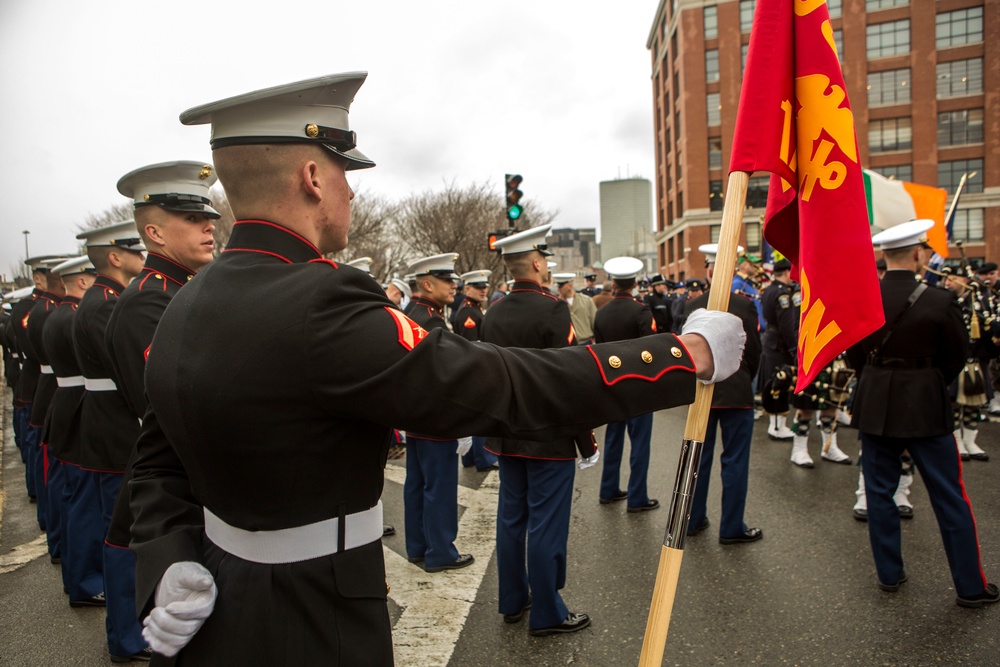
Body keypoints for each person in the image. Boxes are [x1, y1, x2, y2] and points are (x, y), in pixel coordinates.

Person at [127, 72, 744, 663]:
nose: (353, 188)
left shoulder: (185, 302)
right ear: (313, 176)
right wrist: (680, 355)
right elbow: (498, 385)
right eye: (347, 170)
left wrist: (166, 557)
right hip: (313, 616)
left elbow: (156, 459)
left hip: (214, 605)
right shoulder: (322, 299)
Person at [848, 219, 997, 607]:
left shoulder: (862, 296)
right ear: (918, 254)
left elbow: (854, 356)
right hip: (926, 403)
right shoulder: (940, 299)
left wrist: (882, 377)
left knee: (879, 493)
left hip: (876, 400)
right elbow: (956, 356)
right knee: (949, 495)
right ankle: (969, 586)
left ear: (884, 255)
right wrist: (925, 380)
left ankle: (889, 574)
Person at [73, 221, 148, 661]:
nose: (140, 258)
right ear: (115, 257)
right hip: (115, 426)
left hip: (110, 422)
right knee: (122, 531)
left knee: (119, 526)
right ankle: (126, 634)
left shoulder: (104, 299)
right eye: (132, 251)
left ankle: (128, 629)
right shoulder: (104, 304)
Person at [400, 253, 475, 571]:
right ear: (427, 283)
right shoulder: (430, 319)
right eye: (447, 280)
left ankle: (418, 545)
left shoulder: (409, 311)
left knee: (416, 483)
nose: (454, 286)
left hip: (414, 413)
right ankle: (441, 551)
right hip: (436, 416)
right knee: (440, 486)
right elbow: (444, 374)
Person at [685, 243, 763, 544]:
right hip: (736, 389)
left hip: (703, 390)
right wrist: (746, 379)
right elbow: (753, 351)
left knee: (699, 461)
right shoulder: (744, 305)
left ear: (708, 272)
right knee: (735, 462)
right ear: (729, 272)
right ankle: (731, 527)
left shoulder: (692, 305)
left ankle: (692, 520)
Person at [41, 256, 99, 606]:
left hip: (65, 402)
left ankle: (75, 575)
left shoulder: (54, 314)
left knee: (73, 498)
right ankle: (84, 582)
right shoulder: (75, 315)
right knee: (84, 504)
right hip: (81, 407)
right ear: (81, 282)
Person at [592, 257, 659, 513]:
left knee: (613, 439)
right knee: (640, 443)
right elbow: (651, 349)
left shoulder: (602, 313)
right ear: (634, 283)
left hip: (613, 382)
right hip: (639, 385)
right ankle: (637, 497)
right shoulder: (641, 310)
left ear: (613, 282)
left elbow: (599, 349)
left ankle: (608, 490)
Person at [25, 256, 68, 535]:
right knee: (56, 474)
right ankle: (52, 529)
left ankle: (52, 528)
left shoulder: (40, 308)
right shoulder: (49, 311)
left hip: (48, 386)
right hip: (54, 386)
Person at [453, 269, 499, 472]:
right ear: (468, 288)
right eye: (478, 287)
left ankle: (471, 458)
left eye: (485, 287)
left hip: (472, 369)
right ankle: (483, 459)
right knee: (480, 415)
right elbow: (473, 347)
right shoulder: (468, 313)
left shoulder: (473, 309)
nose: (483, 290)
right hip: (475, 370)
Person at [760, 258, 798, 440]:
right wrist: (793, 347)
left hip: (771, 341)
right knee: (781, 381)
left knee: (774, 380)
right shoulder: (782, 294)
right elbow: (787, 325)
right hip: (780, 344)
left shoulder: (769, 289)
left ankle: (776, 424)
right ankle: (777, 426)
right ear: (786, 272)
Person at [554, 272, 596, 345]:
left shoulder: (586, 301)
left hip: (585, 343)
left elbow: (594, 322)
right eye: (558, 286)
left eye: (561, 286)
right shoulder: (557, 304)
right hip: (566, 345)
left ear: (570, 285)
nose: (558, 289)